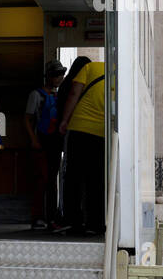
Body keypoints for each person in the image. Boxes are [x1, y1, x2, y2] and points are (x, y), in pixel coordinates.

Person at [57, 57, 106, 236]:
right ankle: (96, 223)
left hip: (79, 129)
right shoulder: (119, 72)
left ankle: (73, 221)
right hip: (102, 133)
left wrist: (64, 120)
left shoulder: (89, 67)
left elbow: (73, 94)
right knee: (97, 179)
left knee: (73, 177)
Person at [25, 60, 66, 231]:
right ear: (48, 76)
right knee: (41, 179)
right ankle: (37, 217)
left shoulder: (61, 95)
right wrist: (33, 139)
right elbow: (27, 118)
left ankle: (51, 217)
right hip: (41, 141)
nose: (59, 78)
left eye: (61, 74)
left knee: (52, 181)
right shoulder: (36, 95)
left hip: (55, 142)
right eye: (56, 74)